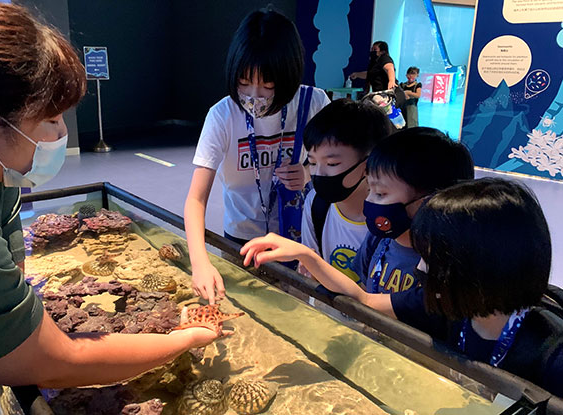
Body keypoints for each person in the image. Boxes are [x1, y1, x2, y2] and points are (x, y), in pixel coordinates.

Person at [0, 4, 220, 414]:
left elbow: (7, 270)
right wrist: (185, 337)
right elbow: (55, 361)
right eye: (49, 120)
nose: (61, 134)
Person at [242, 178, 563, 396]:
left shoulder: (552, 355)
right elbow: (362, 298)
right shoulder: (445, 305)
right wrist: (307, 256)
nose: (420, 268)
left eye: (433, 260)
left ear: (479, 266)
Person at [184, 8, 330, 303]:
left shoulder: (314, 103)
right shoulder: (223, 115)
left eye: (268, 85)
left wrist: (308, 173)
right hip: (242, 239)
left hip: (299, 241)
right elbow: (195, 199)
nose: (254, 94)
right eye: (244, 82)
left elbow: (346, 172)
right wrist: (199, 262)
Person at [243, 127, 474, 296]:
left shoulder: (446, 267)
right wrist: (312, 265)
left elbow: (366, 302)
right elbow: (360, 292)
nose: (369, 202)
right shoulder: (379, 241)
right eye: (370, 191)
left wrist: (308, 256)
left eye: (381, 194)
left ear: (432, 201)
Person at [301, 99, 392, 282]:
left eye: (332, 164)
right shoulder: (316, 204)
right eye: (312, 163)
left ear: (369, 163)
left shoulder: (392, 219)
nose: (319, 174)